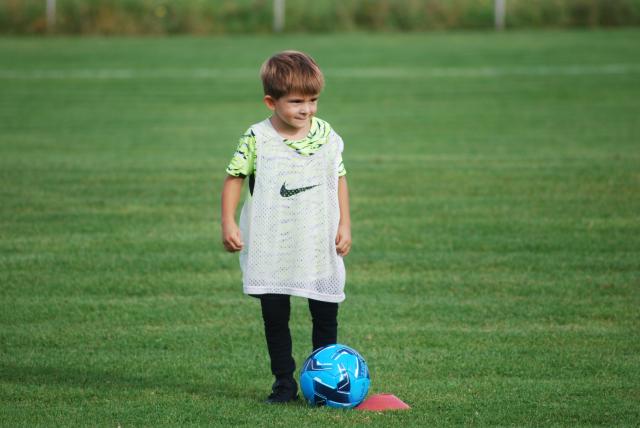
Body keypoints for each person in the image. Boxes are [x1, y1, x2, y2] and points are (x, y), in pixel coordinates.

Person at [220, 50, 352, 404]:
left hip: (316, 241)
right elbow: (235, 177)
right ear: (270, 101)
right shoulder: (257, 138)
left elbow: (338, 178)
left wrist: (346, 225)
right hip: (270, 244)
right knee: (275, 316)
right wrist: (228, 221)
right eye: (296, 101)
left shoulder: (326, 135)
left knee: (325, 310)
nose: (306, 109)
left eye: (313, 100)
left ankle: (327, 383)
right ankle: (283, 384)